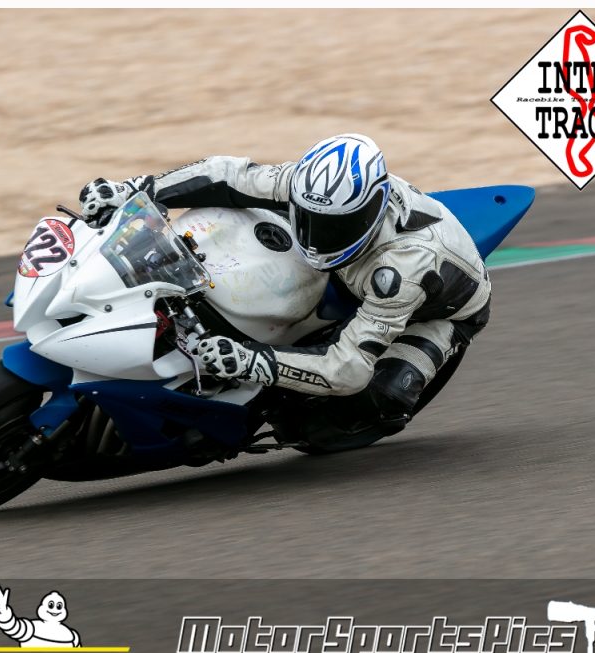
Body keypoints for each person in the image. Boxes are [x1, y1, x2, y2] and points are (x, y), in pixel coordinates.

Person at [78, 134, 491, 437]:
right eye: (309, 218)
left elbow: (347, 369)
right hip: (348, 270)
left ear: (371, 212)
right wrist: (135, 188)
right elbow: (226, 175)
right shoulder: (306, 184)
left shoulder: (403, 269)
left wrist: (251, 361)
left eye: (333, 227)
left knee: (375, 398)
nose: (317, 235)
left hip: (436, 313)